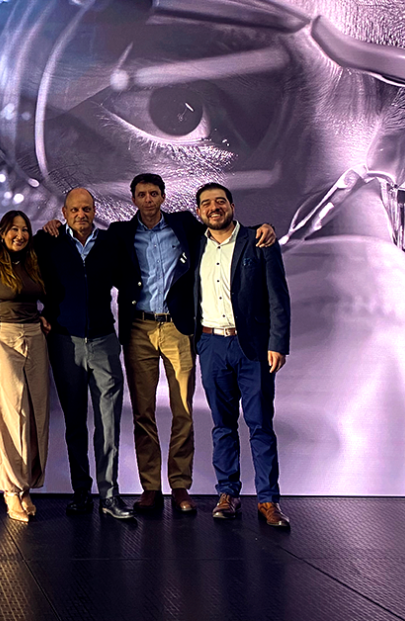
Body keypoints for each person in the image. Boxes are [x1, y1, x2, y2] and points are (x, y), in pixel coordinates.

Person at [107, 173, 274, 513]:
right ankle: (150, 487)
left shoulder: (185, 225)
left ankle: (180, 487)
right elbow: (91, 255)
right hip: (138, 329)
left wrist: (263, 227)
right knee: (143, 412)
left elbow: (224, 227)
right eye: (141, 194)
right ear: (134, 199)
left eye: (154, 193)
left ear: (164, 197)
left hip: (178, 328)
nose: (148, 199)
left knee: (183, 409)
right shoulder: (120, 234)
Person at [193, 183, 291, 528]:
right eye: (207, 204)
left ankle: (268, 501)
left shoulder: (258, 240)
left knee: (261, 425)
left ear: (232, 206)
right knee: (222, 426)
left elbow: (278, 297)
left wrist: (278, 342)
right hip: (211, 346)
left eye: (220, 201)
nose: (214, 207)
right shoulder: (193, 245)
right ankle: (228, 494)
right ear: (199, 212)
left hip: (252, 347)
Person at [33, 188, 133, 520]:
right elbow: (22, 270)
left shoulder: (109, 243)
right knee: (74, 422)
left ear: (94, 210)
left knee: (108, 423)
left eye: (86, 208)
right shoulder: (50, 242)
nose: (81, 214)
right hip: (65, 343)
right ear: (64, 212)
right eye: (74, 209)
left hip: (104, 341)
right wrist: (40, 313)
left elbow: (131, 282)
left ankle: (110, 494)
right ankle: (81, 493)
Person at [0, 211, 51, 523]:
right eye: (13, 230)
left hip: (35, 337)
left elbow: (40, 297)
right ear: (2, 232)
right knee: (12, 414)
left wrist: (42, 317)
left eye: (24, 230)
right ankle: (10, 489)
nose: (19, 235)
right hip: (3, 339)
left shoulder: (32, 262)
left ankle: (27, 485)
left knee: (37, 414)